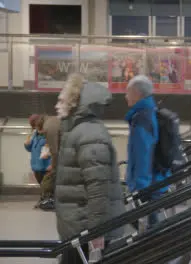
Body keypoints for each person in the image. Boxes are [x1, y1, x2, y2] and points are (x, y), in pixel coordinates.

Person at [54, 73, 125, 264]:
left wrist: (96, 232)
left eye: (61, 100)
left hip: (85, 229)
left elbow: (98, 189)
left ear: (74, 102)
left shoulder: (88, 134)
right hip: (77, 227)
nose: (56, 105)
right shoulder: (77, 131)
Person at [125, 75, 168, 229]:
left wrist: (141, 190)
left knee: (148, 226)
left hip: (147, 185)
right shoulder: (149, 112)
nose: (125, 96)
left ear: (137, 93)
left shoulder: (142, 119)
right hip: (154, 182)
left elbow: (144, 154)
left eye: (128, 92)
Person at [24, 114, 51, 208]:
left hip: (46, 166)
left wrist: (49, 152)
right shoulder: (33, 135)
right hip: (36, 165)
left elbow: (54, 148)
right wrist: (27, 144)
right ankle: (44, 200)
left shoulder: (48, 135)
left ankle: (46, 200)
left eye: (36, 125)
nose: (35, 128)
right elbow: (30, 149)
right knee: (42, 185)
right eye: (33, 126)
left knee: (46, 185)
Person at [38, 115, 61, 211]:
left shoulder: (49, 127)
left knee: (49, 177)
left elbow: (55, 151)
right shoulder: (54, 121)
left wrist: (53, 166)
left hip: (64, 157)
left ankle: (49, 200)